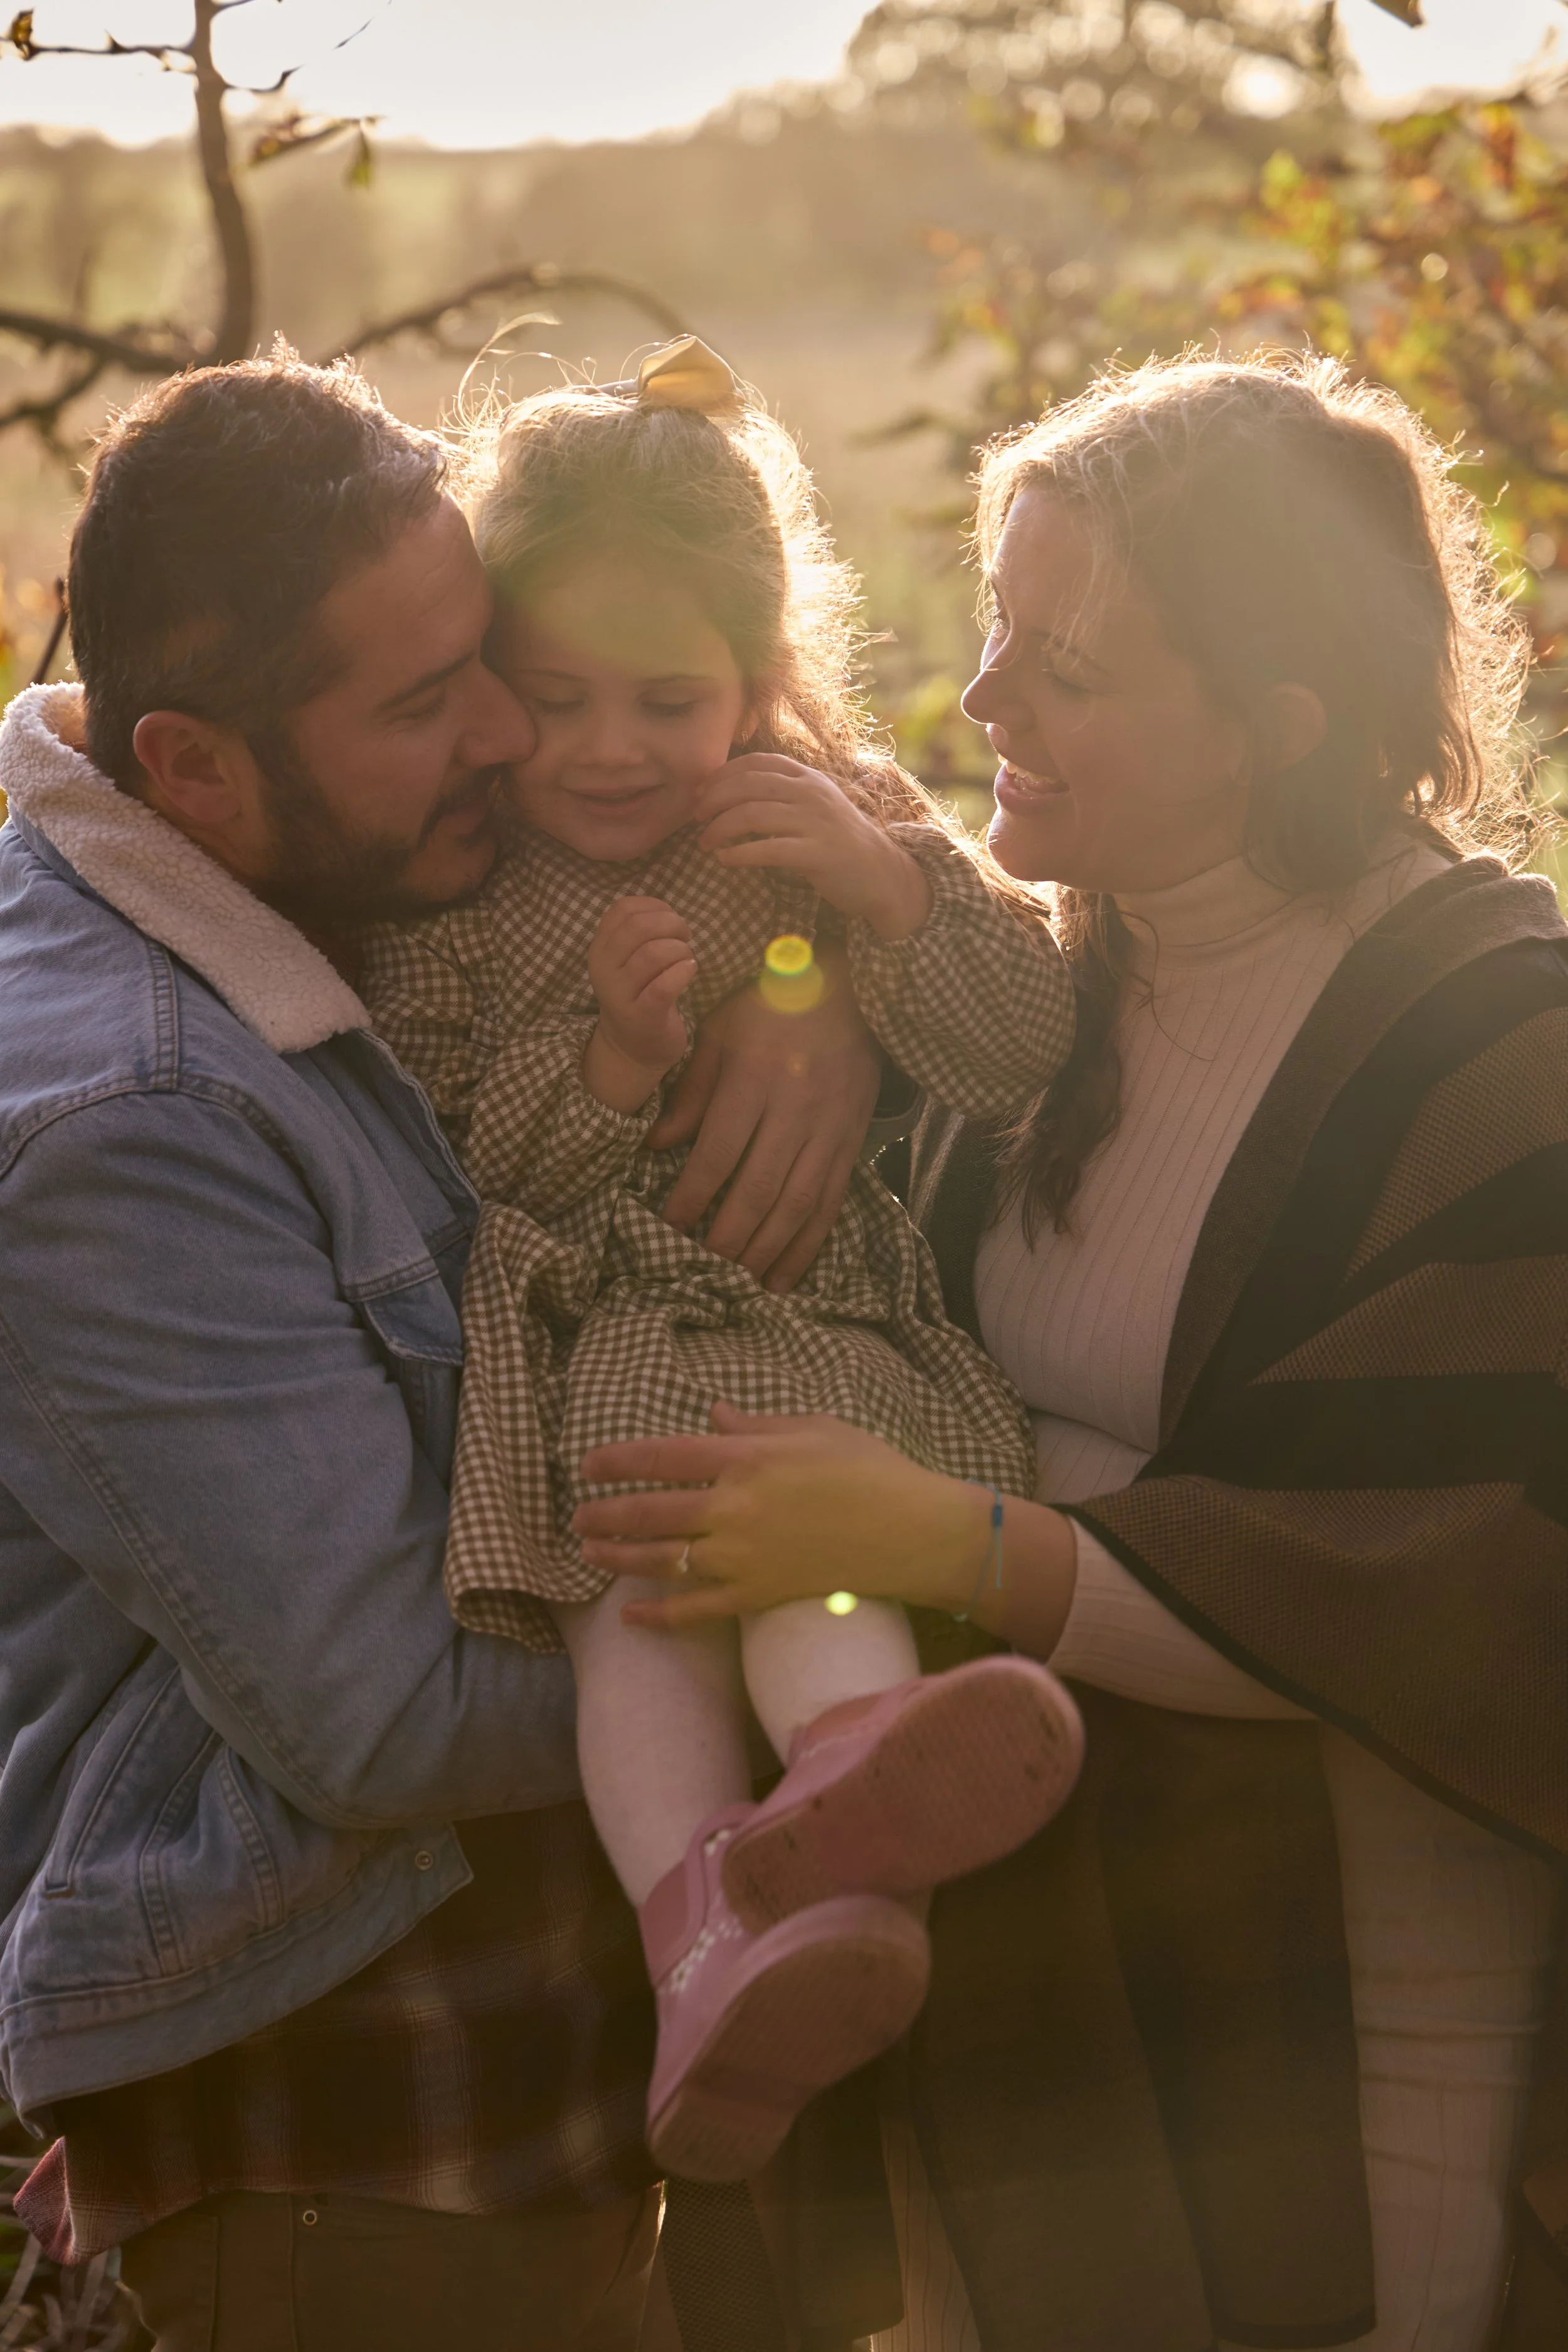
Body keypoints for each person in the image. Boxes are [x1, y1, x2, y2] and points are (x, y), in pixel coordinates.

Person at [573, 354, 1568, 2351]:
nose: (980, 702)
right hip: (1024, 2023)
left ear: (1273, 723)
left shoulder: (1495, 1054)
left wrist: (945, 1543)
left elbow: (1454, 1596)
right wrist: (802, 990)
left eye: (1068, 668)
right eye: (994, 627)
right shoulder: (1042, 984)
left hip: (1348, 2040)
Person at [0, 349, 901, 2352]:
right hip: (359, 2152)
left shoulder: (302, 874)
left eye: (479, 652)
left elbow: (720, 734)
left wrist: (803, 973)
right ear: (195, 764)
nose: (508, 729)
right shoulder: (118, 1123)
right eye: (428, 703)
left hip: (535, 2111)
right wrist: (878, 1604)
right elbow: (388, 1711)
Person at [358, 339, 1086, 2188]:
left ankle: (854, 1794)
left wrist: (886, 895)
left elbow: (1021, 1050)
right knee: (642, 1622)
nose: (608, 747)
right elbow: (458, 1176)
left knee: (812, 1566)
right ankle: (703, 1937)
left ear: (757, 679)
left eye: (667, 700)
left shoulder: (835, 820)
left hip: (811, 1346)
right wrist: (610, 1065)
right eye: (556, 698)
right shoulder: (461, 894)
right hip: (595, 1356)